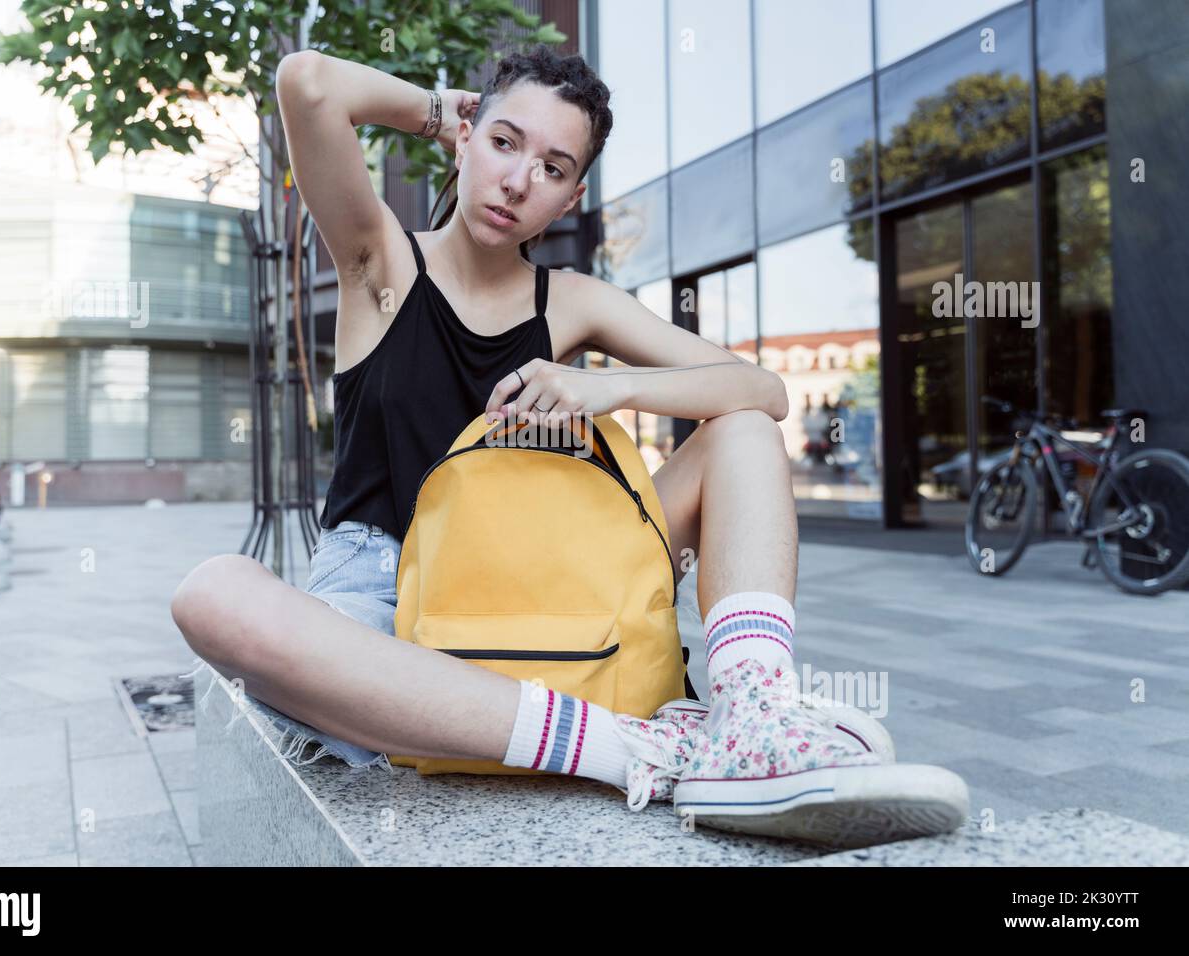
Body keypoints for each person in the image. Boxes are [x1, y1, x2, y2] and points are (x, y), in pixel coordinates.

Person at [171, 45, 970, 847]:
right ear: (468, 137)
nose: (519, 181)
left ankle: (754, 718)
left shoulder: (576, 302)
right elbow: (308, 83)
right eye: (505, 143)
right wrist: (442, 110)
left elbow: (763, 392)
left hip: (550, 572)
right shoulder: (380, 263)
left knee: (744, 434)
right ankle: (633, 748)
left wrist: (611, 386)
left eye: (553, 168)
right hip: (387, 595)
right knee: (215, 598)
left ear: (571, 198)